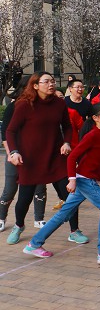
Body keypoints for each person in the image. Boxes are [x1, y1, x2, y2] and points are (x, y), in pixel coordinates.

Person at [23, 103, 100, 264]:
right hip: (83, 179)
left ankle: (34, 244)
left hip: (90, 178)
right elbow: (72, 156)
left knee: (63, 214)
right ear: (95, 118)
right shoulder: (92, 135)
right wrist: (72, 179)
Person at [5, 72, 88, 245]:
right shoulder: (24, 104)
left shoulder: (59, 103)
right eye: (46, 81)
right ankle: (19, 226)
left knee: (69, 195)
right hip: (30, 160)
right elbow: (10, 131)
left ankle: (74, 230)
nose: (51, 84)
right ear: (35, 85)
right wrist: (13, 152)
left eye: (52, 81)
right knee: (24, 199)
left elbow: (67, 126)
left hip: (55, 157)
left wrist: (66, 142)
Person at [0, 76, 47, 233]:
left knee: (39, 187)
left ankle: (39, 219)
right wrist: (10, 153)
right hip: (15, 154)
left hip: (36, 155)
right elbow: (5, 133)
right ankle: (2, 218)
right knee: (10, 189)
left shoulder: (40, 106)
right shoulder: (14, 107)